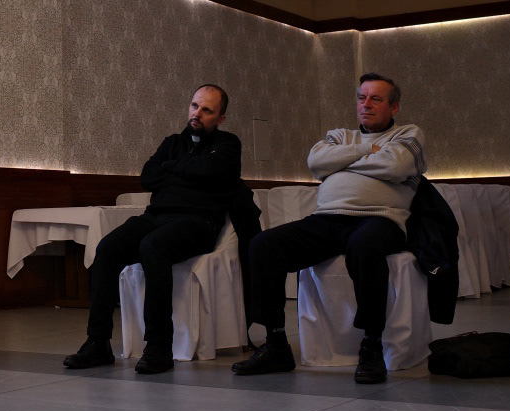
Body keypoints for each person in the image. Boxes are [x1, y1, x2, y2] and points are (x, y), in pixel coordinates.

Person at [233, 73, 425, 384]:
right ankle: (276, 343)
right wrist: (369, 150)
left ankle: (371, 345)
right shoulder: (339, 134)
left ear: (394, 107)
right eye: (361, 98)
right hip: (327, 219)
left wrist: (342, 161)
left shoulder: (409, 134)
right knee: (263, 245)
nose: (366, 104)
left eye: (376, 99)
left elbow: (396, 166)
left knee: (365, 245)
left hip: (379, 219)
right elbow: (317, 162)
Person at [62, 84, 242, 375]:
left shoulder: (228, 144)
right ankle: (98, 342)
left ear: (220, 118)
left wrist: (170, 169)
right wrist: (187, 170)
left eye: (207, 110)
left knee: (153, 246)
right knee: (106, 248)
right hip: (156, 216)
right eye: (194, 106)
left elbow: (209, 170)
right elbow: (147, 177)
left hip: (198, 221)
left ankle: (159, 347)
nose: (197, 113)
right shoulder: (172, 142)